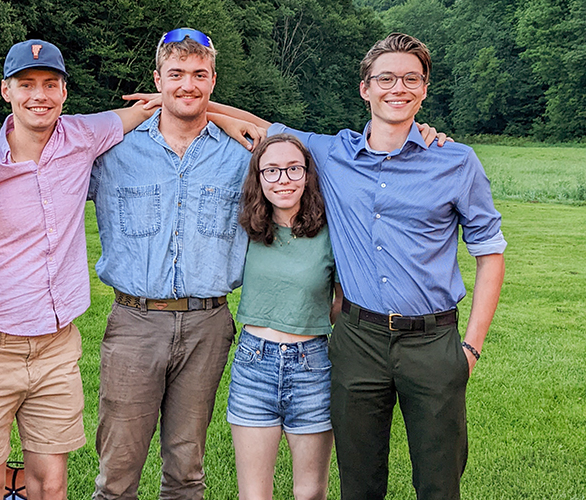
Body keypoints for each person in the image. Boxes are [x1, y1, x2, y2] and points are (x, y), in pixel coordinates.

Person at [214, 33, 506, 500]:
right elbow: (260, 129)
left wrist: (470, 348)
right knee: (359, 481)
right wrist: (177, 105)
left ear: (425, 89)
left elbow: (490, 254)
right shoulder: (331, 153)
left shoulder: (456, 161)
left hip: (432, 342)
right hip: (357, 340)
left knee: (439, 482)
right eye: (386, 77)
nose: (399, 88)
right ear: (365, 88)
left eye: (411, 78)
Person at [0, 39, 155, 500]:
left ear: (64, 92)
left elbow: (150, 109)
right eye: (27, 85)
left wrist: (182, 96)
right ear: (6, 91)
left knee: (51, 483)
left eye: (50, 84)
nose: (39, 95)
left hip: (57, 348)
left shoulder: (84, 135)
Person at [88, 28, 253, 499]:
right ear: (156, 79)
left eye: (199, 75)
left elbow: (295, 144)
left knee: (186, 471)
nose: (188, 85)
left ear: (213, 81)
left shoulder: (240, 152)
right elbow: (46, 151)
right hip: (134, 321)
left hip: (209, 323)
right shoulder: (113, 150)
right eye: (176, 74)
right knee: (117, 473)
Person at [229, 133, 342, 500]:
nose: (284, 180)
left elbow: (341, 302)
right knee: (254, 494)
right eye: (272, 171)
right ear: (258, 177)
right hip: (253, 363)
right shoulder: (246, 229)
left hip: (312, 367)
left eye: (294, 169)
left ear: (308, 174)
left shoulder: (330, 232)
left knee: (310, 492)